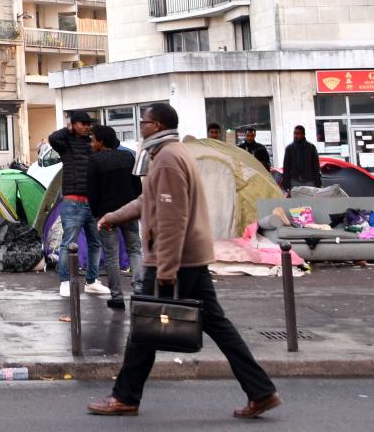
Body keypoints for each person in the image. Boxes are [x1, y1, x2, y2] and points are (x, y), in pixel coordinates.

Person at [90, 103, 281, 419]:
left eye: (145, 121)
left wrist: (166, 269)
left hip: (174, 261)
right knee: (216, 326)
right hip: (189, 258)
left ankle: (125, 397)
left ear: (159, 125)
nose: (141, 125)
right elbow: (147, 200)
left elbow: (172, 218)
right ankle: (261, 391)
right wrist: (113, 216)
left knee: (143, 328)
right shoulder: (170, 154)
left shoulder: (167, 159)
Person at [49, 111, 107, 297]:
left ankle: (92, 280)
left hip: (92, 201)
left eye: (87, 123)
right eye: (82, 123)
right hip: (73, 201)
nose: (86, 126)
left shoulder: (91, 144)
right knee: (68, 243)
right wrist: (67, 130)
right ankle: (65, 281)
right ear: (73, 124)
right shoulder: (65, 143)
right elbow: (53, 138)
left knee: (95, 242)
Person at [87, 126, 143, 310]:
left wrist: (96, 214)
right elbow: (137, 187)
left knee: (112, 256)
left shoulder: (95, 161)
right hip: (130, 212)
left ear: (102, 142)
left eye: (93, 139)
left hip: (107, 215)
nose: (91, 143)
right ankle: (140, 291)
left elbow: (92, 191)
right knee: (135, 250)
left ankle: (117, 297)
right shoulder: (128, 157)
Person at [281, 125, 321, 191]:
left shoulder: (311, 147)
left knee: (309, 200)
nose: (296, 136)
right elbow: (286, 167)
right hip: (294, 180)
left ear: (303, 134)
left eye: (298, 133)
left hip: (309, 180)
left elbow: (316, 166)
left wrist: (318, 183)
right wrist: (286, 184)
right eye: (294, 133)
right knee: (296, 201)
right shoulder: (289, 148)